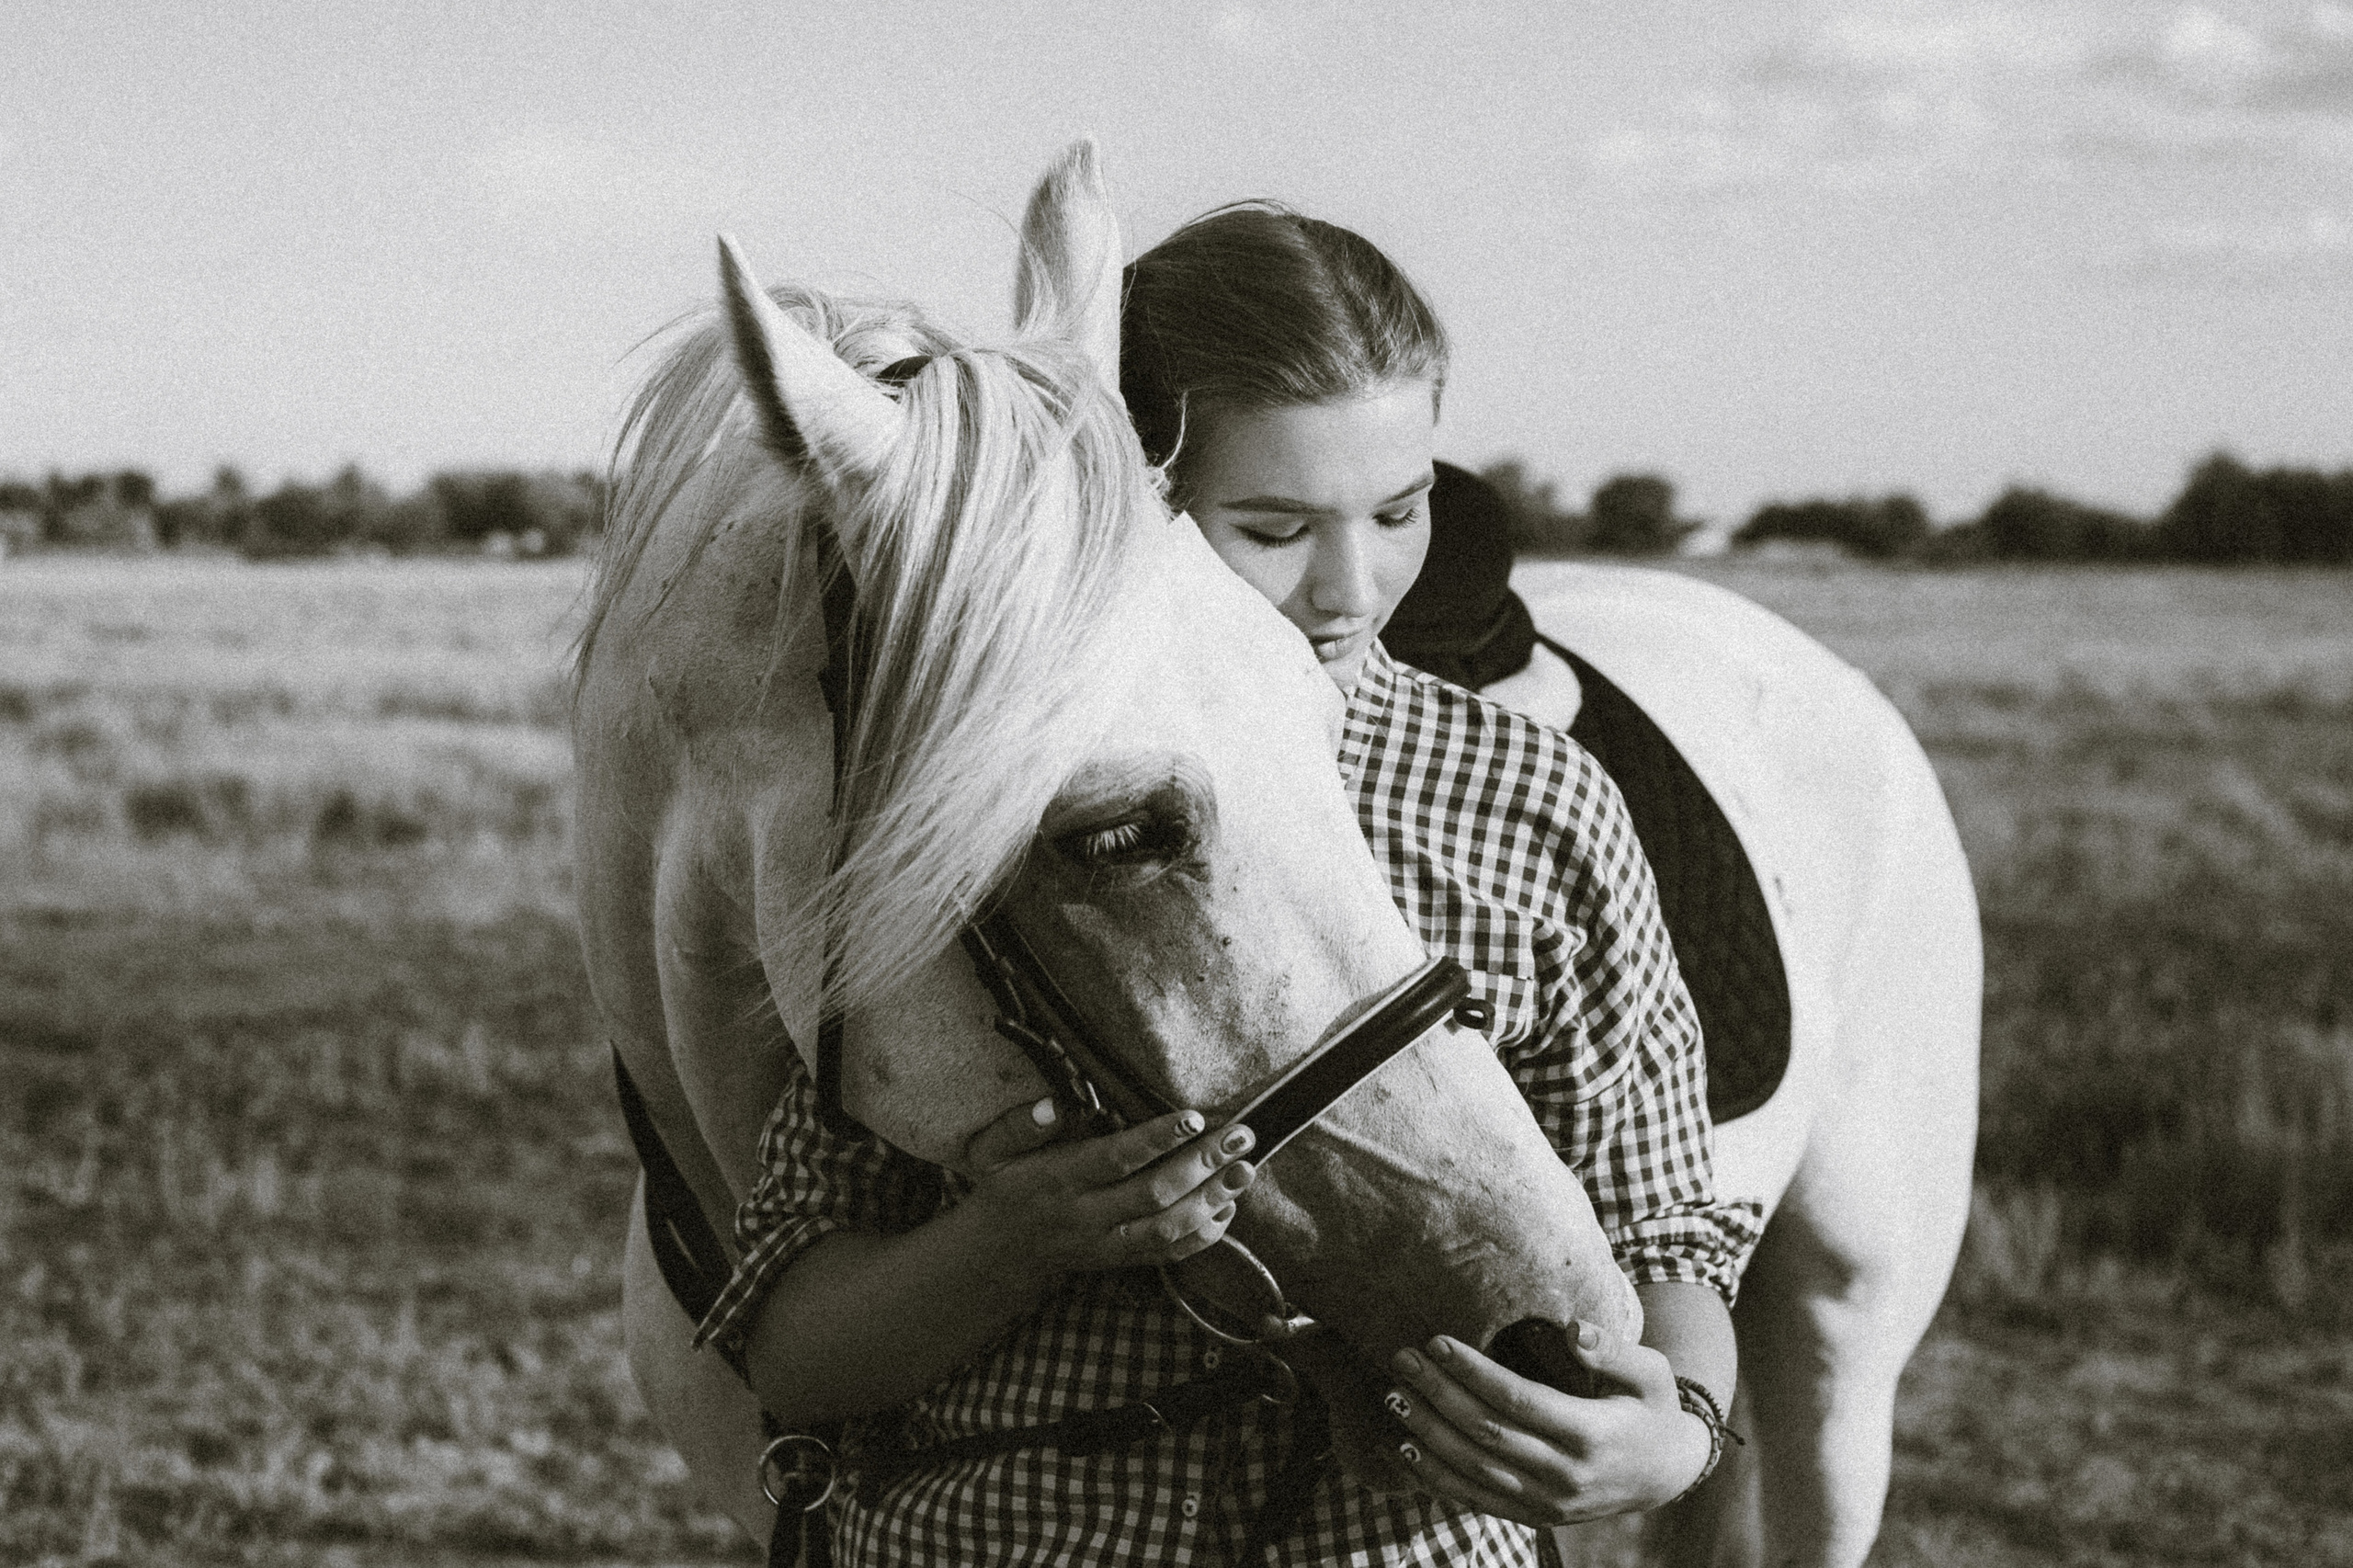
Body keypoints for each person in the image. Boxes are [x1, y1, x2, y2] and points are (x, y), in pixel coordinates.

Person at [693, 203, 1756, 1567]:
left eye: (1401, 509)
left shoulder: (1533, 799)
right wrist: (1015, 1238)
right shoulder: (973, 785)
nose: (1351, 588)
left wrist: (1677, 1432)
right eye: (1271, 526)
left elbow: (1665, 1229)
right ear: (1128, 492)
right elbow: (793, 1345)